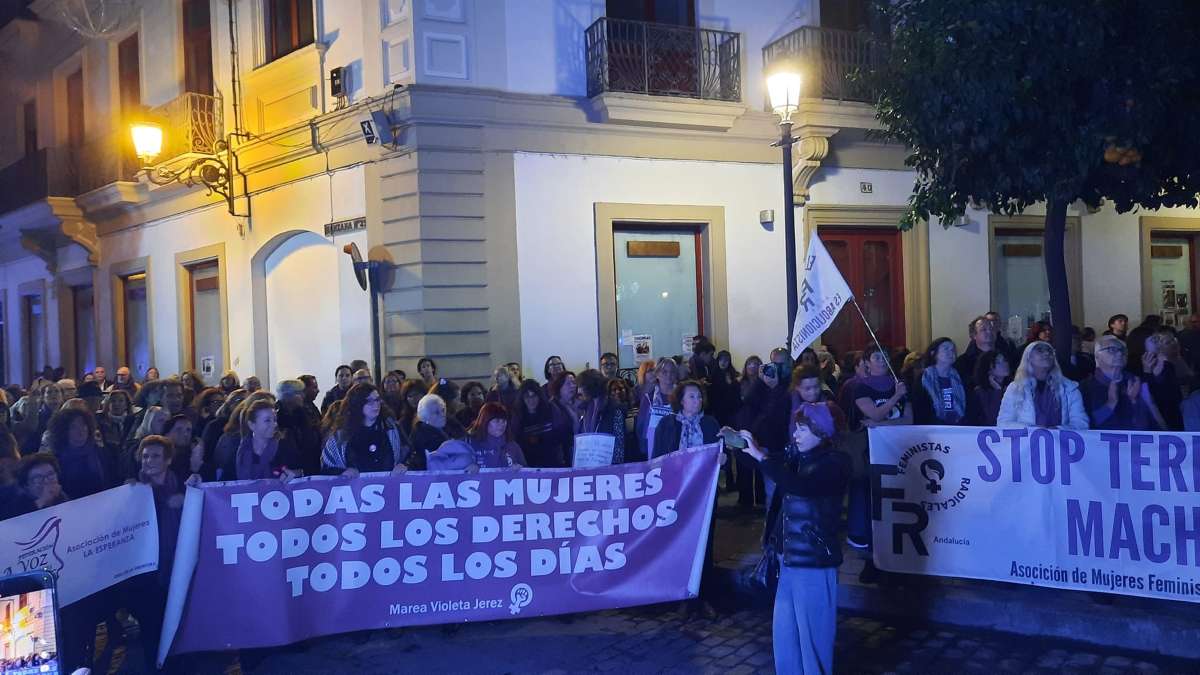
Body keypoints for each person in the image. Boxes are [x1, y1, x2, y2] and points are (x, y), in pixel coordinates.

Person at [734, 410, 850, 675]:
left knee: (813, 637)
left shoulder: (835, 463)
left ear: (822, 433)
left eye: (803, 429)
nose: (795, 434)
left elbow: (801, 486)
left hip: (814, 560)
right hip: (787, 557)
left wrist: (762, 457)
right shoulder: (796, 456)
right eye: (796, 428)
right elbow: (767, 464)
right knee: (785, 632)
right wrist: (744, 446)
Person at [321, 383, 408, 477]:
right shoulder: (341, 436)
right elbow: (326, 467)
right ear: (357, 404)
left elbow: (409, 453)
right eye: (369, 401)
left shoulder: (391, 428)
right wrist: (341, 472)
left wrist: (403, 465)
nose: (376, 405)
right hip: (354, 490)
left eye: (377, 400)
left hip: (389, 487)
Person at [1079, 335, 1164, 431]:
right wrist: (1111, 403)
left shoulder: (1135, 382)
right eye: (1112, 350)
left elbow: (1154, 425)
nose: (1120, 354)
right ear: (1097, 356)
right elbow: (1085, 427)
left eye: (1123, 351)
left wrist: (1134, 401)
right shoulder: (1085, 387)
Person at [997, 341, 1089, 429]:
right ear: (1029, 357)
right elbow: (1003, 423)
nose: (1046, 354)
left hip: (1061, 444)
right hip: (1027, 444)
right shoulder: (1015, 388)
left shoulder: (1070, 388)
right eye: (1040, 350)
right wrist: (1034, 430)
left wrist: (1057, 430)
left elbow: (1081, 424)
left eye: (1050, 351)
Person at [46, 407, 115, 499]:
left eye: (83, 425)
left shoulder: (100, 451)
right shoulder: (54, 460)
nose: (81, 431)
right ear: (63, 431)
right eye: (73, 427)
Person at [233, 399, 301, 481]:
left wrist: (294, 474)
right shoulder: (238, 449)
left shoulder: (284, 446)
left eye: (275, 420)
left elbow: (301, 471)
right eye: (267, 420)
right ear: (252, 425)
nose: (274, 424)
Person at [652, 380, 719, 457]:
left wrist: (722, 459)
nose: (697, 400)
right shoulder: (666, 423)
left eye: (699, 397)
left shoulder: (710, 423)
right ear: (681, 401)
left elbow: (719, 452)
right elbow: (657, 456)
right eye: (692, 396)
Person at [912, 338, 969, 425]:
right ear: (933, 353)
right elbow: (919, 409)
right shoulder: (924, 378)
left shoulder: (960, 376)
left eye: (953, 349)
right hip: (932, 429)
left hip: (958, 428)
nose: (951, 352)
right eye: (946, 348)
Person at [512, 379, 567, 467]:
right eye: (527, 396)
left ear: (539, 396)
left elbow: (562, 434)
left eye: (534, 396)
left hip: (553, 462)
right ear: (522, 398)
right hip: (529, 465)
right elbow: (517, 442)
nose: (531, 400)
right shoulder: (518, 415)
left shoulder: (551, 409)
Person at [575, 369, 626, 464]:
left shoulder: (613, 409)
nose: (579, 390)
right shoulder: (585, 408)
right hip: (588, 461)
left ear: (591, 387)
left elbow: (619, 443)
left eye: (581, 386)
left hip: (607, 465)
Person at [276, 379, 323, 476]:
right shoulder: (277, 416)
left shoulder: (303, 412)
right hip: (287, 471)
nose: (303, 396)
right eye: (300, 393)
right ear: (289, 395)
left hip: (307, 468)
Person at [461, 402, 526, 469]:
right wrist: (466, 469)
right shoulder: (468, 444)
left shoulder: (513, 446)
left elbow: (528, 473)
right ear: (485, 421)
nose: (501, 425)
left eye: (504, 421)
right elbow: (453, 469)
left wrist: (520, 469)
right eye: (497, 421)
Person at [635, 358, 679, 457]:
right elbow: (641, 426)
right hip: (653, 447)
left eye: (672, 372)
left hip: (677, 444)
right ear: (657, 374)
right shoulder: (649, 397)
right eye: (664, 372)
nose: (668, 375)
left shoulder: (682, 395)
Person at [789, 365, 846, 439]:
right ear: (797, 387)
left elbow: (840, 429)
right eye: (807, 388)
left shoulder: (829, 403)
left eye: (816, 387)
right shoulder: (788, 404)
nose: (813, 392)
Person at [955, 315, 1015, 384]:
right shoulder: (963, 362)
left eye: (992, 329)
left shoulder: (1006, 355)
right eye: (983, 329)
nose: (989, 332)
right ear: (974, 335)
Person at [405, 394, 452, 470]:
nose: (442, 414)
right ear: (425, 417)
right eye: (436, 412)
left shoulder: (444, 429)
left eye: (443, 410)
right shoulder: (425, 436)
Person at [969, 350, 1011, 426]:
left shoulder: (1012, 387)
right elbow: (993, 418)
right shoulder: (980, 392)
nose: (1004, 364)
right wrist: (997, 391)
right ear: (988, 368)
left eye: (1005, 360)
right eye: (998, 362)